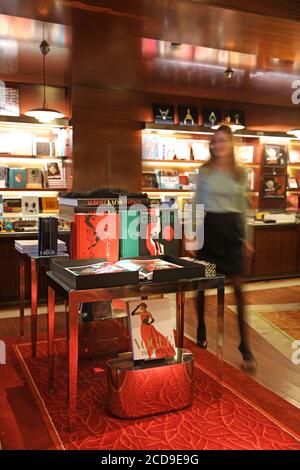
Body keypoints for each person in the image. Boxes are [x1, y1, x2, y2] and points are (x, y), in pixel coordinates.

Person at [193, 125, 256, 370]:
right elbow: (196, 202)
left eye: (223, 141)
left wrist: (247, 238)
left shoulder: (240, 173)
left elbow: (243, 207)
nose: (218, 145)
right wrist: (193, 235)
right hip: (209, 230)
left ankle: (245, 345)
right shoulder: (204, 171)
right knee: (202, 285)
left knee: (239, 289)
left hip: (232, 232)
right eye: (215, 141)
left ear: (231, 144)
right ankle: (200, 327)